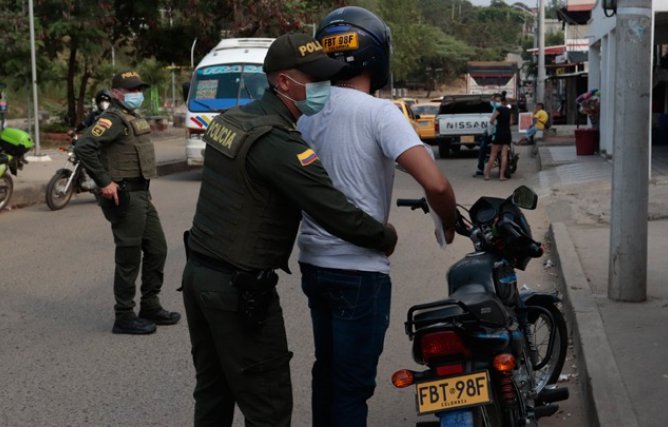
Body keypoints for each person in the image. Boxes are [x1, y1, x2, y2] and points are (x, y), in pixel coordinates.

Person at [181, 33, 398, 427]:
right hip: (238, 289)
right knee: (268, 406)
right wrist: (385, 237)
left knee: (214, 394)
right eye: (314, 79)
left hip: (200, 276)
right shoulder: (278, 142)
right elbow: (334, 210)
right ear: (283, 82)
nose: (324, 87)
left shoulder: (232, 121)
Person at [297, 7, 457, 427]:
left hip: (313, 263)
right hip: (359, 270)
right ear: (378, 57)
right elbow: (437, 185)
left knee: (326, 372)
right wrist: (450, 221)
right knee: (351, 386)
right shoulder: (380, 113)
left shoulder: (306, 113)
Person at [74, 70, 179, 335]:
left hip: (141, 194)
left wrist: (147, 195)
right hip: (124, 194)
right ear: (117, 93)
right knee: (129, 255)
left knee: (158, 249)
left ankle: (150, 305)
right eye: (132, 90)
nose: (137, 94)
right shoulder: (111, 119)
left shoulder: (132, 117)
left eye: (139, 89)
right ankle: (124, 315)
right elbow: (84, 146)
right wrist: (104, 181)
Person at [484, 94, 513, 181]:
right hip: (507, 133)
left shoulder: (498, 109)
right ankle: (501, 176)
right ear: (506, 102)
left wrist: (495, 125)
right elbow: (511, 123)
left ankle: (487, 175)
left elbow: (491, 120)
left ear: (501, 102)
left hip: (499, 133)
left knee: (493, 154)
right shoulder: (509, 111)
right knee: (504, 155)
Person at [473, 93, 501, 177]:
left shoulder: (500, 108)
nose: (496, 101)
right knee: (482, 148)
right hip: (490, 133)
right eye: (495, 100)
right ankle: (480, 169)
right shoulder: (494, 107)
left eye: (498, 100)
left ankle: (499, 171)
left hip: (498, 134)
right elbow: (491, 103)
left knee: (498, 153)